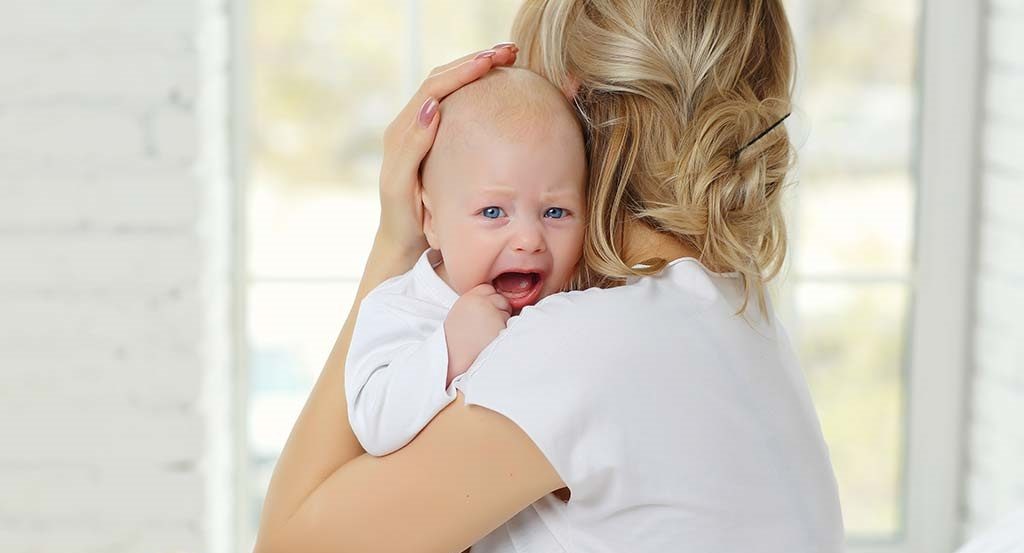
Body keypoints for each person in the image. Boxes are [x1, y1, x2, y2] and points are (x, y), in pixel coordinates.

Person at [255, 1, 846, 552]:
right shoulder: (730, 308)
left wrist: (399, 237)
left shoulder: (589, 344)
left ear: (573, 101)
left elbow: (287, 545)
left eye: (531, 86)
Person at [344, 66, 587, 462]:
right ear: (431, 221)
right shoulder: (400, 308)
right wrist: (449, 348)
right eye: (493, 212)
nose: (529, 240)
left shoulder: (575, 305)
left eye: (555, 212)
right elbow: (373, 424)